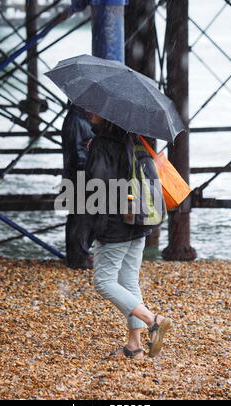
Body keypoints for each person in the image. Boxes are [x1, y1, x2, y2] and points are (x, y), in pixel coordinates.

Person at [85, 114, 172, 359]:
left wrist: (91, 156)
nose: (89, 114)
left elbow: (97, 187)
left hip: (115, 225)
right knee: (129, 281)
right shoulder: (135, 140)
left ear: (107, 116)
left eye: (94, 112)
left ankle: (153, 320)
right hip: (139, 221)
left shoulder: (102, 145)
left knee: (103, 282)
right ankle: (134, 347)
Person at [61, 103, 94, 269]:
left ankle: (80, 254)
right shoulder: (76, 120)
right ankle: (78, 258)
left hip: (80, 174)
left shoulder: (81, 118)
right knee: (80, 217)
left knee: (83, 216)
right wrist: (87, 171)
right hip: (80, 175)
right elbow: (76, 152)